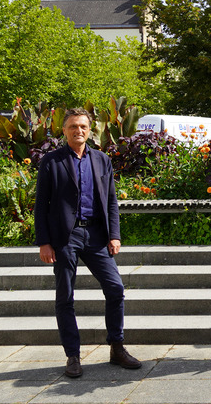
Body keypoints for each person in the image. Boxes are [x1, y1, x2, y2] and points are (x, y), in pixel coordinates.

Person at [35, 108, 141, 378]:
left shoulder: (102, 160)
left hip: (95, 236)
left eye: (82, 126)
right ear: (64, 130)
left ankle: (116, 347)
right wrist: (44, 242)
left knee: (115, 288)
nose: (78, 131)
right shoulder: (51, 161)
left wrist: (114, 235)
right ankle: (72, 356)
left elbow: (111, 201)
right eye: (72, 126)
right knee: (65, 297)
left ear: (90, 129)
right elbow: (40, 205)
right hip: (64, 238)